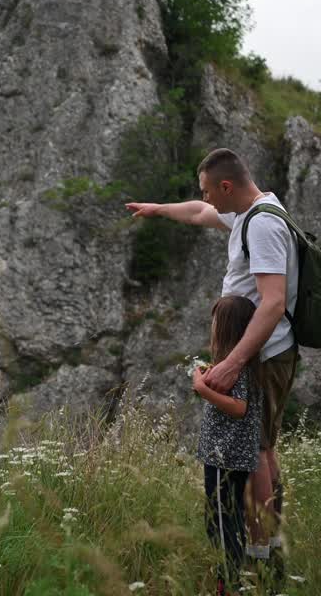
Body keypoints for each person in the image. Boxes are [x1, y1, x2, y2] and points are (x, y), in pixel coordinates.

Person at [127, 147, 299, 566]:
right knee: (264, 447)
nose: (205, 200)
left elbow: (273, 303)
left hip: (264, 353)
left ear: (226, 186)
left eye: (208, 191)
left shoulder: (261, 228)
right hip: (266, 351)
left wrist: (231, 363)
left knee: (257, 452)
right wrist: (159, 209)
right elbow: (199, 214)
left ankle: (261, 554)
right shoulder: (251, 211)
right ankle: (268, 545)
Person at [194, 295, 262, 592]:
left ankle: (228, 580)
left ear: (227, 329)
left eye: (215, 322)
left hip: (226, 455)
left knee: (220, 520)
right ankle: (232, 575)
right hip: (227, 454)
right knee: (227, 516)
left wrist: (201, 389)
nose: (212, 328)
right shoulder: (235, 364)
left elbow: (239, 407)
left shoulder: (239, 367)